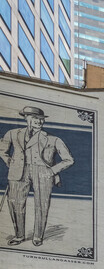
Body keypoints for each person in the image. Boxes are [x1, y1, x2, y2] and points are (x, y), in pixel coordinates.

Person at [0, 105, 74, 246]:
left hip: (43, 172)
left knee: (42, 205)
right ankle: (19, 235)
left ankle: (38, 236)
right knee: (15, 203)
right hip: (18, 171)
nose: (39, 122)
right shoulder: (13, 133)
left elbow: (69, 159)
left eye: (41, 119)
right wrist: (9, 161)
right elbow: (2, 149)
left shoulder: (53, 139)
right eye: (35, 118)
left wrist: (52, 171)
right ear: (27, 118)